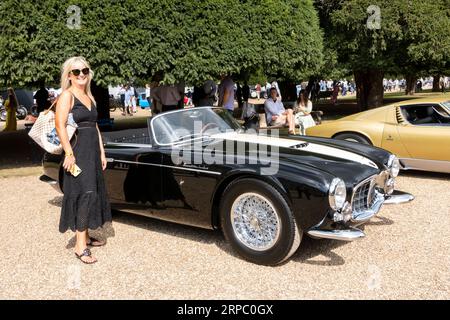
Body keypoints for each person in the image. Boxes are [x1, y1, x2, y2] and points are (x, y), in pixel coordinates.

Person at [55, 56, 112, 264]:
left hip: (92, 153)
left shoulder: (89, 96)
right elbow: (60, 126)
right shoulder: (67, 96)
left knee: (92, 191)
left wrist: (102, 152)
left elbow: (94, 126)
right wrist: (69, 153)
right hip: (77, 152)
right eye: (76, 72)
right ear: (69, 75)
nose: (81, 75)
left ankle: (86, 236)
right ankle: (80, 247)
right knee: (85, 194)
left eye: (85, 71)